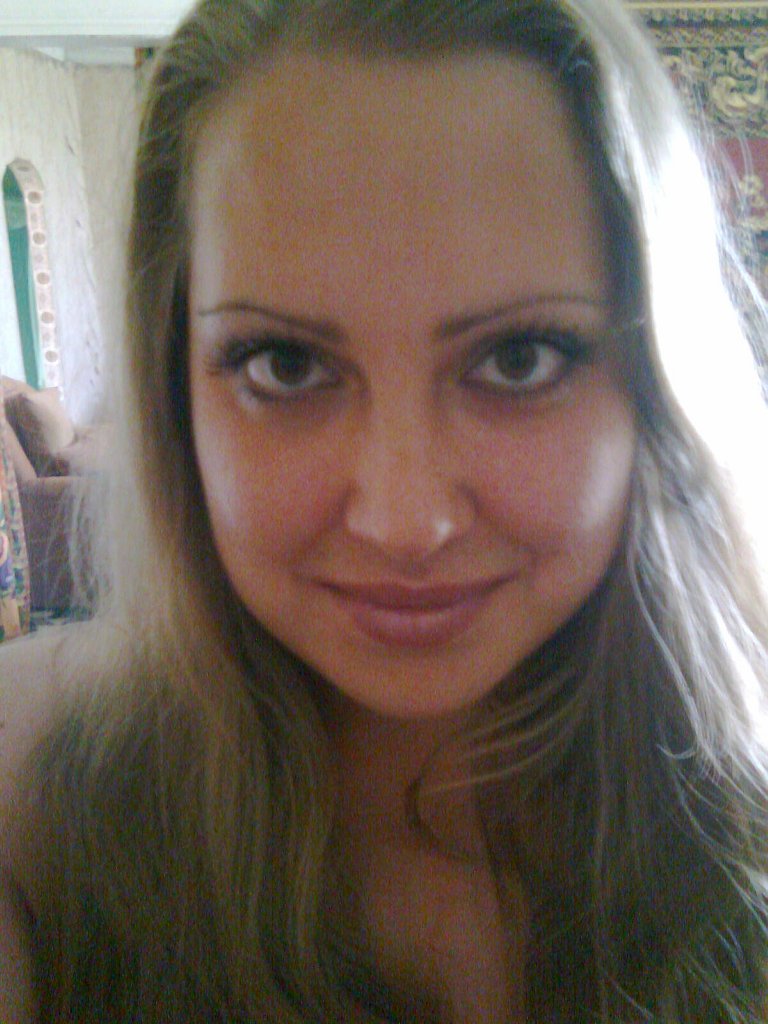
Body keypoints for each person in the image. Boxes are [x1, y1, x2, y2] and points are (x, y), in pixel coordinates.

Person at [1, 0, 767, 1020]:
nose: (405, 525)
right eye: (286, 365)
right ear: (174, 388)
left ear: (656, 387)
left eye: (519, 359)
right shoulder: (37, 819)